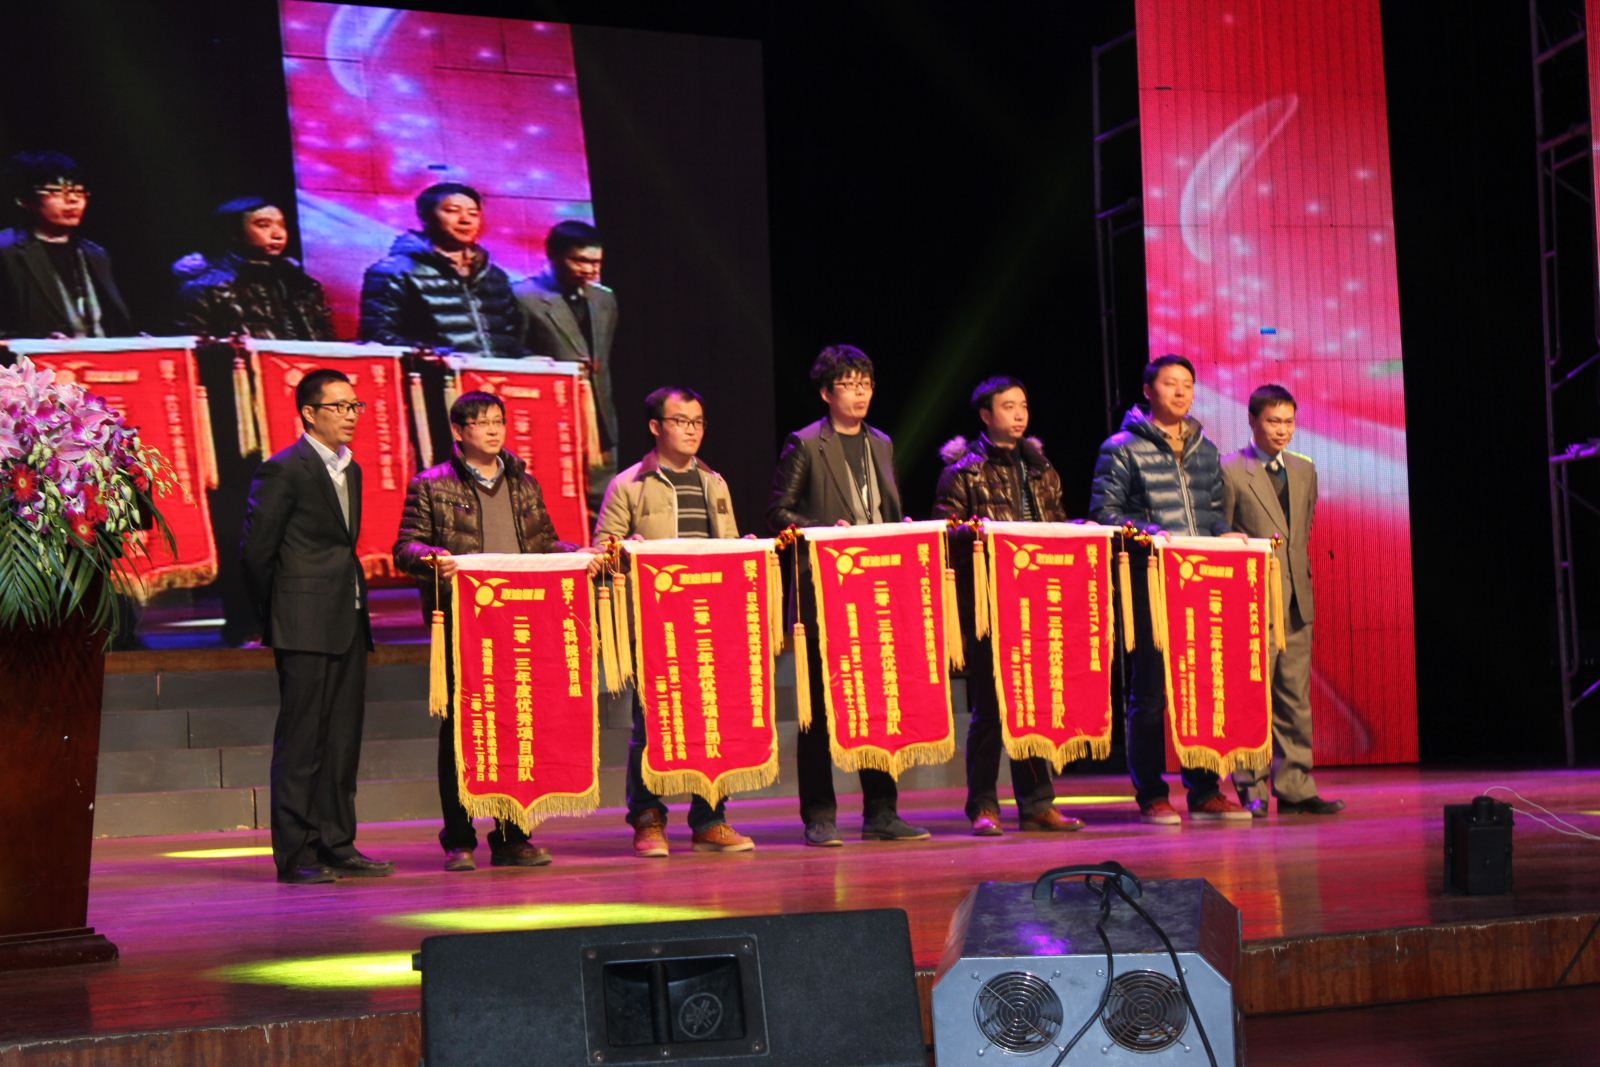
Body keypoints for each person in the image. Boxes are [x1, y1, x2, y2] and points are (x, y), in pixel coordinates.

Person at [393, 390, 585, 871]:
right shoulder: (431, 484)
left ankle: (512, 835)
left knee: (517, 724)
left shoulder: (523, 482)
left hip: (520, 621)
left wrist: (579, 554)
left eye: (498, 420)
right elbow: (406, 548)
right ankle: (458, 838)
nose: (493, 430)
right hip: (465, 622)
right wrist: (431, 558)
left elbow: (544, 545)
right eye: (481, 422)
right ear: (459, 431)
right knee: (462, 728)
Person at [767, 344, 930, 846]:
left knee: (878, 701)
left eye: (865, 384)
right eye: (848, 385)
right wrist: (825, 531)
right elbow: (779, 512)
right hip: (826, 589)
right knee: (819, 706)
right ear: (826, 393)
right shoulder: (805, 443)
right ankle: (819, 814)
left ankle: (882, 811)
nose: (859, 394)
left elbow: (884, 508)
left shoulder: (881, 443)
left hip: (877, 591)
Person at [241, 368, 392, 884]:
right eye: (339, 407)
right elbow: (256, 553)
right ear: (309, 413)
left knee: (341, 740)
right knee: (302, 742)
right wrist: (279, 612)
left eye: (355, 406)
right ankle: (297, 853)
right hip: (302, 622)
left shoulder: (352, 469)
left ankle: (337, 842)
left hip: (347, 618)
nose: (351, 416)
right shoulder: (284, 469)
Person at [1088, 354, 1252, 825]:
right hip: (1149, 579)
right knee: (1150, 691)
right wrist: (1152, 533)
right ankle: (1151, 794)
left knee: (1203, 686)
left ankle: (1205, 789)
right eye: (1170, 383)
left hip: (1200, 582)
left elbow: (1212, 512)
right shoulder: (1121, 448)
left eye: (1187, 385)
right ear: (1148, 391)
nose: (1180, 392)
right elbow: (1104, 514)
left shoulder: (1205, 449)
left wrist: (1223, 532)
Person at [593, 386, 756, 858]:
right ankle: (648, 818)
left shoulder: (714, 482)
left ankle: (710, 819)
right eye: (681, 421)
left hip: (708, 621)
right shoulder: (629, 484)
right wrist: (626, 550)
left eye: (698, 422)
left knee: (712, 719)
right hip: (654, 622)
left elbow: (726, 548)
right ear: (655, 427)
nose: (691, 430)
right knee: (651, 723)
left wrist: (742, 551)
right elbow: (601, 551)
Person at [932, 375, 1084, 836]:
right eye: (1008, 406)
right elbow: (945, 535)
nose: (1019, 415)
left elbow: (1057, 525)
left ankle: (1037, 803)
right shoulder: (963, 471)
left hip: (1037, 602)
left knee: (1034, 704)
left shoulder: (1042, 469)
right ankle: (983, 805)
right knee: (991, 709)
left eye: (1023, 406)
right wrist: (983, 536)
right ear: (985, 415)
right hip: (987, 603)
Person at [1220, 384, 1344, 817]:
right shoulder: (1231, 469)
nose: (1282, 430)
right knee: (1251, 698)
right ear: (1252, 421)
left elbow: (1301, 533)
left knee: (1295, 698)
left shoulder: (1304, 469)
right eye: (1273, 421)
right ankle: (1250, 787)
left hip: (1295, 601)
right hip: (1252, 601)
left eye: (1288, 422)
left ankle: (1295, 786)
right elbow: (1223, 532)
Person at [516, 221, 618, 512]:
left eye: (596, 262)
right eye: (580, 261)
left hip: (600, 418)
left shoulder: (604, 298)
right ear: (554, 256)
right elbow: (511, 350)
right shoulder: (524, 297)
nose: (590, 270)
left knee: (606, 504)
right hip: (553, 415)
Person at [358, 182, 525, 356]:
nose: (465, 220)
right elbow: (378, 337)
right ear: (425, 217)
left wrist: (527, 357)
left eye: (473, 214)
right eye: (452, 211)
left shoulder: (494, 275)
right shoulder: (394, 272)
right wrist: (437, 355)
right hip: (435, 370)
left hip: (491, 372)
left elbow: (510, 338)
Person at [0, 150, 131, 339]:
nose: (72, 200)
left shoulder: (95, 254)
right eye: (56, 191)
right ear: (24, 199)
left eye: (78, 191)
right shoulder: (6, 251)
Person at [171, 196, 334, 340]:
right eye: (263, 225)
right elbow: (192, 350)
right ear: (234, 232)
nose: (278, 234)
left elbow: (325, 342)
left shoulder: (303, 285)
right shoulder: (206, 289)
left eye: (282, 225)